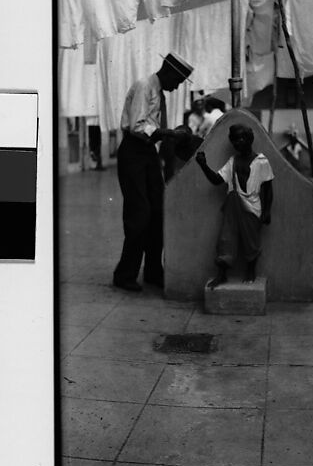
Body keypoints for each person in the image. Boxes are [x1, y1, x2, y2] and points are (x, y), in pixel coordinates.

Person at [113, 52, 194, 292]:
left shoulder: (158, 93)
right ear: (168, 71)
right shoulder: (144, 87)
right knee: (139, 215)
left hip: (147, 154)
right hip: (133, 152)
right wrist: (168, 134)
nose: (177, 87)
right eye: (177, 82)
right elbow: (138, 126)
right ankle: (124, 274)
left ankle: (153, 272)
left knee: (158, 212)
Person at [196, 124, 274, 288]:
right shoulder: (233, 162)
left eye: (241, 138)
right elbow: (217, 180)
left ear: (249, 139)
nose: (238, 143)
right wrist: (203, 165)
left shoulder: (261, 161)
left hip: (253, 207)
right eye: (235, 140)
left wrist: (267, 211)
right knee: (226, 239)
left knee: (251, 242)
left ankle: (250, 271)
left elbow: (268, 189)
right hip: (233, 206)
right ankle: (222, 274)